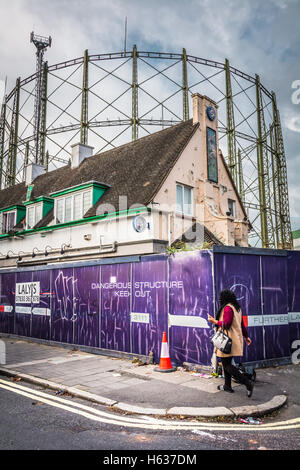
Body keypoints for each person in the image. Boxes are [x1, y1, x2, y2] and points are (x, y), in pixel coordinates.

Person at [208, 289, 255, 397]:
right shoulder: (237, 308)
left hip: (226, 340)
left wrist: (214, 321)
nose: (220, 300)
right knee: (226, 363)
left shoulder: (228, 308)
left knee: (227, 365)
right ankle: (227, 386)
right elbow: (242, 325)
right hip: (233, 339)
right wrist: (246, 336)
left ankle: (247, 383)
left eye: (221, 298)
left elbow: (227, 324)